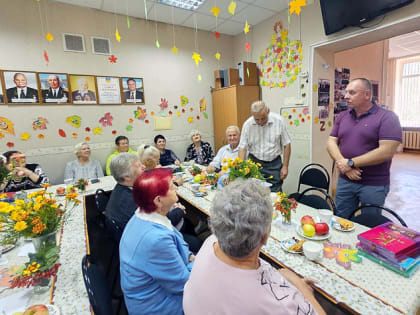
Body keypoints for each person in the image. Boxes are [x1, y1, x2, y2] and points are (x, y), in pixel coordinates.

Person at [183, 179, 325, 315]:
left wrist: (282, 276)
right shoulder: (279, 304)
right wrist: (304, 290)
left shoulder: (211, 242)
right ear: (264, 238)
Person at [120, 168, 194, 315]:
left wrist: (189, 257)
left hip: (155, 291)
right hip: (157, 306)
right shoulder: (156, 239)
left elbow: (179, 241)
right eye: (171, 185)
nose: (175, 187)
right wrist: (200, 262)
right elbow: (184, 285)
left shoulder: (144, 214)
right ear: (158, 200)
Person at [327, 78, 402, 219]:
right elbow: (331, 142)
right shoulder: (342, 116)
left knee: (369, 224)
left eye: (352, 92)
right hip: (345, 180)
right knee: (341, 220)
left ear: (367, 95)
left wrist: (351, 163)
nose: (346, 96)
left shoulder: (387, 117)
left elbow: (386, 152)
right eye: (346, 92)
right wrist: (344, 164)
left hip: (373, 184)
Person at [238, 101, 291, 192]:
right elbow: (242, 147)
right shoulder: (248, 124)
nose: (260, 122)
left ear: (268, 111)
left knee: (275, 192)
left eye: (263, 118)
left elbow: (287, 144)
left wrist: (285, 166)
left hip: (274, 163)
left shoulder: (278, 121)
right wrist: (241, 166)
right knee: (254, 192)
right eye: (257, 119)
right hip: (254, 163)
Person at [105, 153, 146, 230]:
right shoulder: (130, 202)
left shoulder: (121, 187)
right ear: (127, 177)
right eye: (139, 166)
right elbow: (155, 226)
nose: (144, 167)